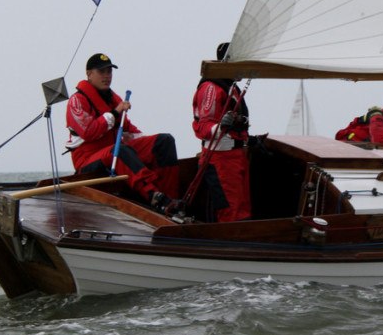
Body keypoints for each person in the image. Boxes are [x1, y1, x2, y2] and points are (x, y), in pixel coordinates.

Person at [65, 53, 185, 219]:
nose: (107, 76)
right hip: (88, 159)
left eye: (109, 72)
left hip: (112, 150)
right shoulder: (77, 101)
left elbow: (128, 130)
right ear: (89, 74)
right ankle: (153, 196)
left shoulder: (113, 99)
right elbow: (89, 131)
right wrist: (115, 113)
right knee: (120, 150)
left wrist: (146, 140)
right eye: (102, 72)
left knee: (164, 141)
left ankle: (171, 201)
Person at [191, 42, 252, 223]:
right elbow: (203, 127)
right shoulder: (211, 87)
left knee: (243, 211)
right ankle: (232, 247)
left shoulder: (231, 86)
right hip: (220, 160)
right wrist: (220, 127)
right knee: (232, 214)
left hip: (236, 156)